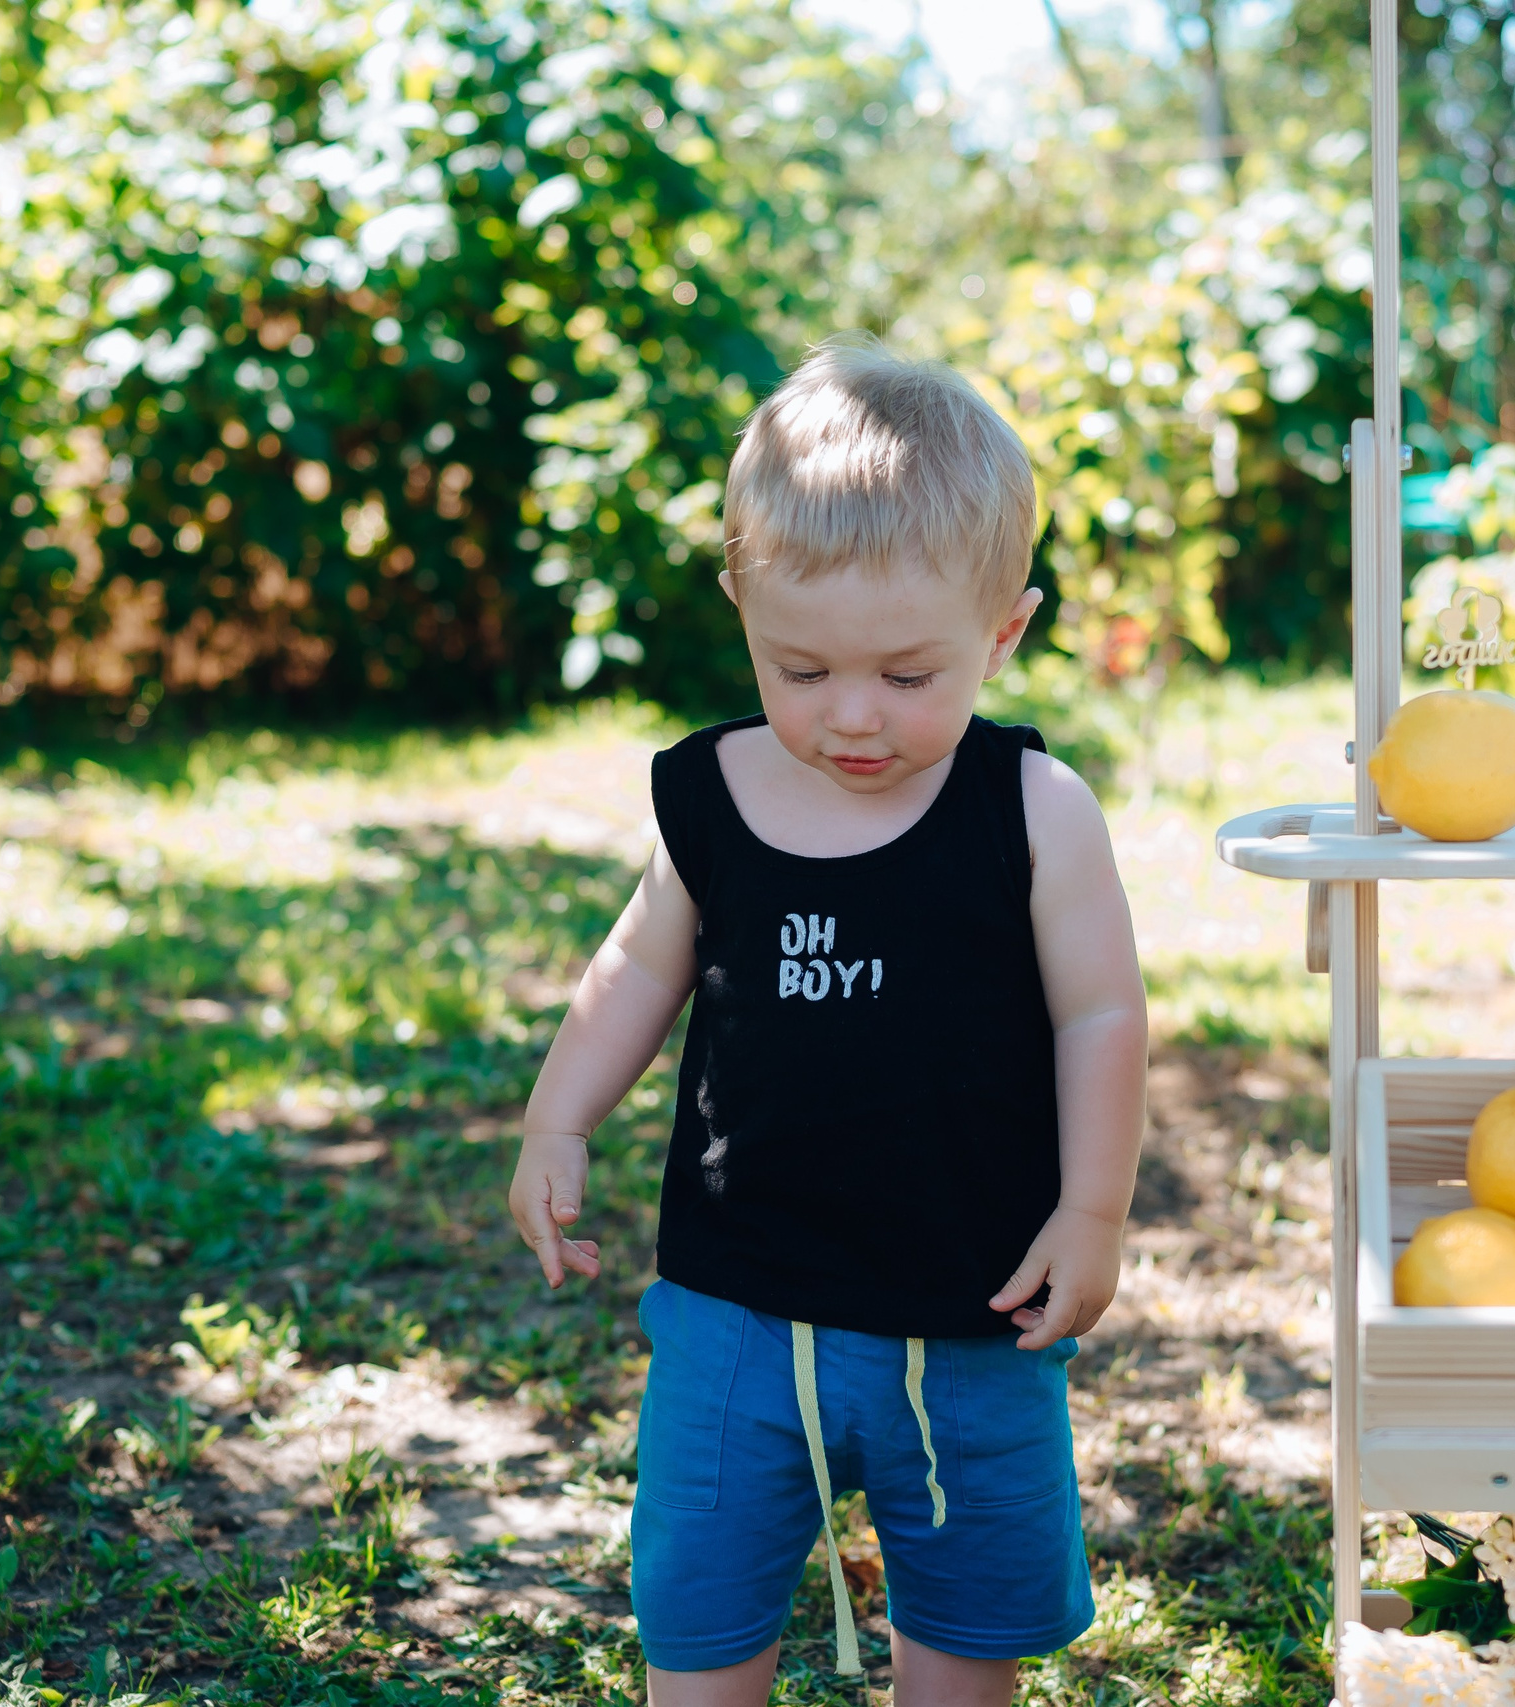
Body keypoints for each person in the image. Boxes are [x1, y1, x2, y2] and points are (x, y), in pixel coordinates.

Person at [506, 336, 1149, 1707]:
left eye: (909, 678)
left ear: (1005, 632)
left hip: (971, 1310)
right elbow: (635, 968)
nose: (853, 717)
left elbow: (1101, 1016)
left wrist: (1091, 1211)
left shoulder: (1033, 814)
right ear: (743, 603)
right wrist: (559, 1118)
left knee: (969, 1626)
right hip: (738, 1304)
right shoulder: (715, 800)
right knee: (701, 1605)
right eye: (802, 670)